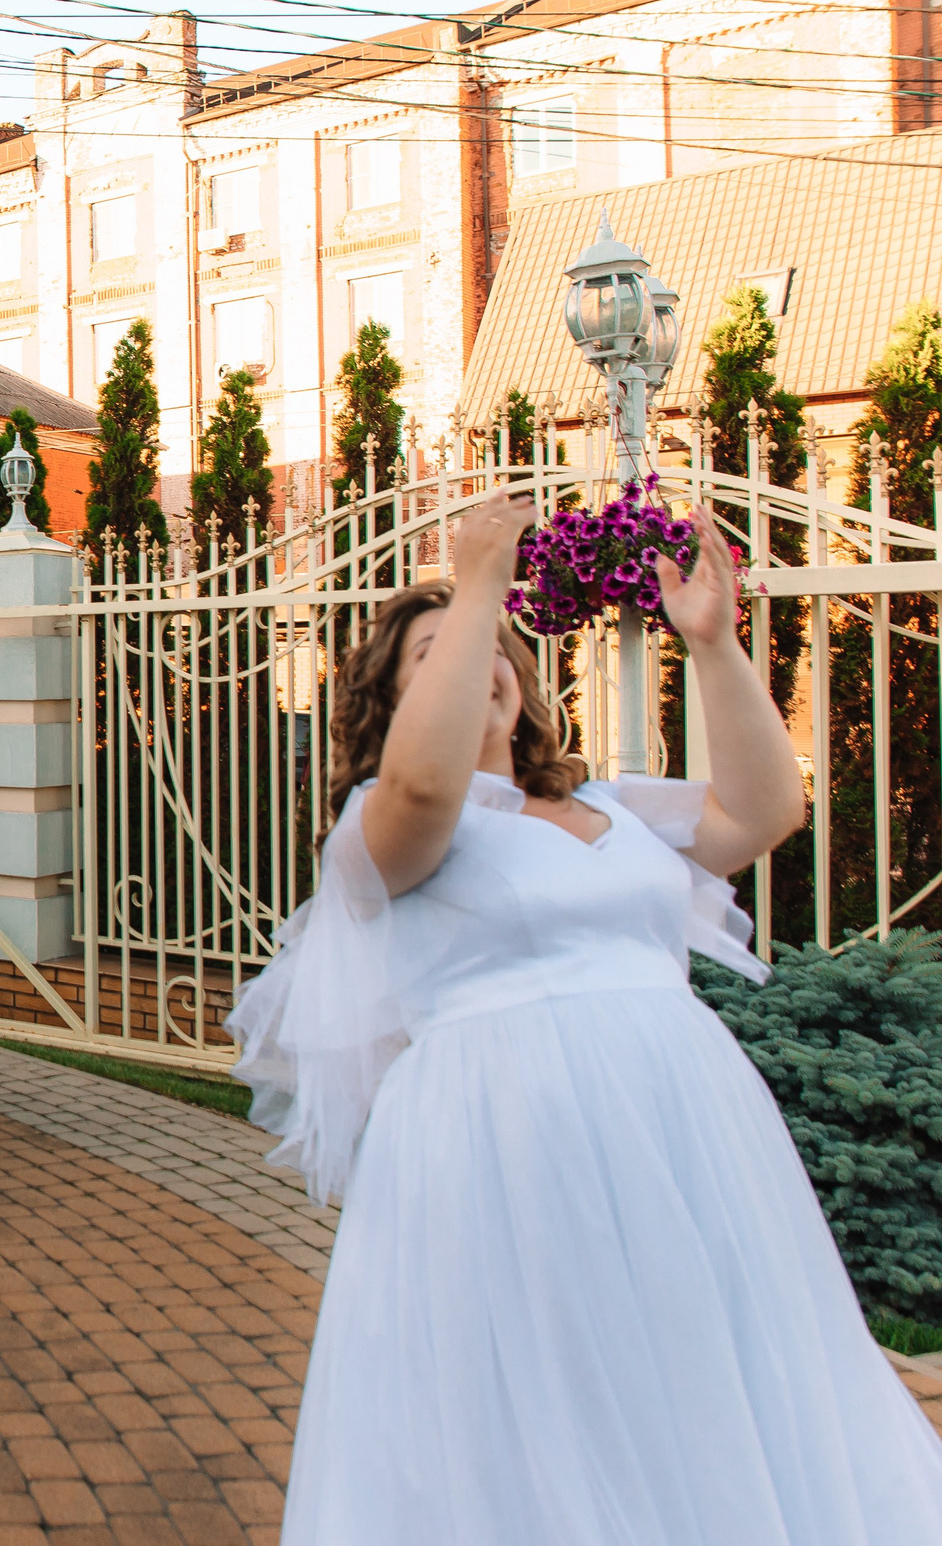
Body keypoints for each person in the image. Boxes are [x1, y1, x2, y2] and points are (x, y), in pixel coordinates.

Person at [228, 493, 942, 1542]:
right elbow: (425, 783)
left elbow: (763, 810)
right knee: (548, 1398)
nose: (478, 663)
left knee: (703, 1368)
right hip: (504, 1146)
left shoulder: (609, 806)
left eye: (489, 650)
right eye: (432, 656)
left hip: (686, 1124)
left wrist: (711, 643)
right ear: (387, 700)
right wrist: (472, 586)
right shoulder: (379, 829)